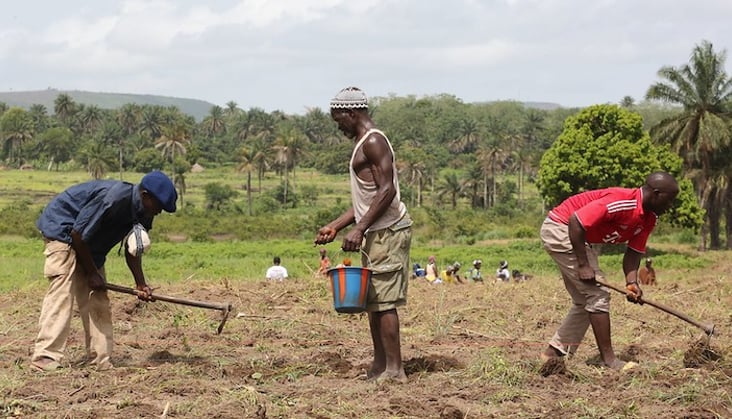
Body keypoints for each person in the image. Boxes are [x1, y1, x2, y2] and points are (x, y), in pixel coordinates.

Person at [31, 170, 178, 372]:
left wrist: (141, 284)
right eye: (159, 206)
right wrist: (92, 273)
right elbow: (77, 233)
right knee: (63, 290)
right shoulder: (114, 199)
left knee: (98, 298)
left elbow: (133, 248)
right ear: (145, 196)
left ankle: (99, 359)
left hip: (90, 243)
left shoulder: (144, 212)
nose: (159, 211)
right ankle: (45, 356)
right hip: (64, 231)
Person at [314, 86, 412, 383]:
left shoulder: (374, 142)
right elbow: (367, 200)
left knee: (384, 301)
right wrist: (337, 225)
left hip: (388, 230)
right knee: (373, 301)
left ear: (351, 113)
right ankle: (380, 365)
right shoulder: (363, 143)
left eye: (339, 120)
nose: (338, 126)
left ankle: (395, 370)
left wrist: (359, 228)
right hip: (375, 229)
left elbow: (387, 191)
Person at [539, 171, 679, 371]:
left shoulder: (649, 218)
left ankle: (554, 354)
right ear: (656, 194)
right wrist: (583, 264)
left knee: (584, 300)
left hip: (577, 235)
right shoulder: (623, 202)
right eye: (669, 200)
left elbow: (633, 252)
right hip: (560, 227)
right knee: (598, 293)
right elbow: (576, 221)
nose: (670, 206)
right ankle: (609, 359)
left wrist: (632, 283)